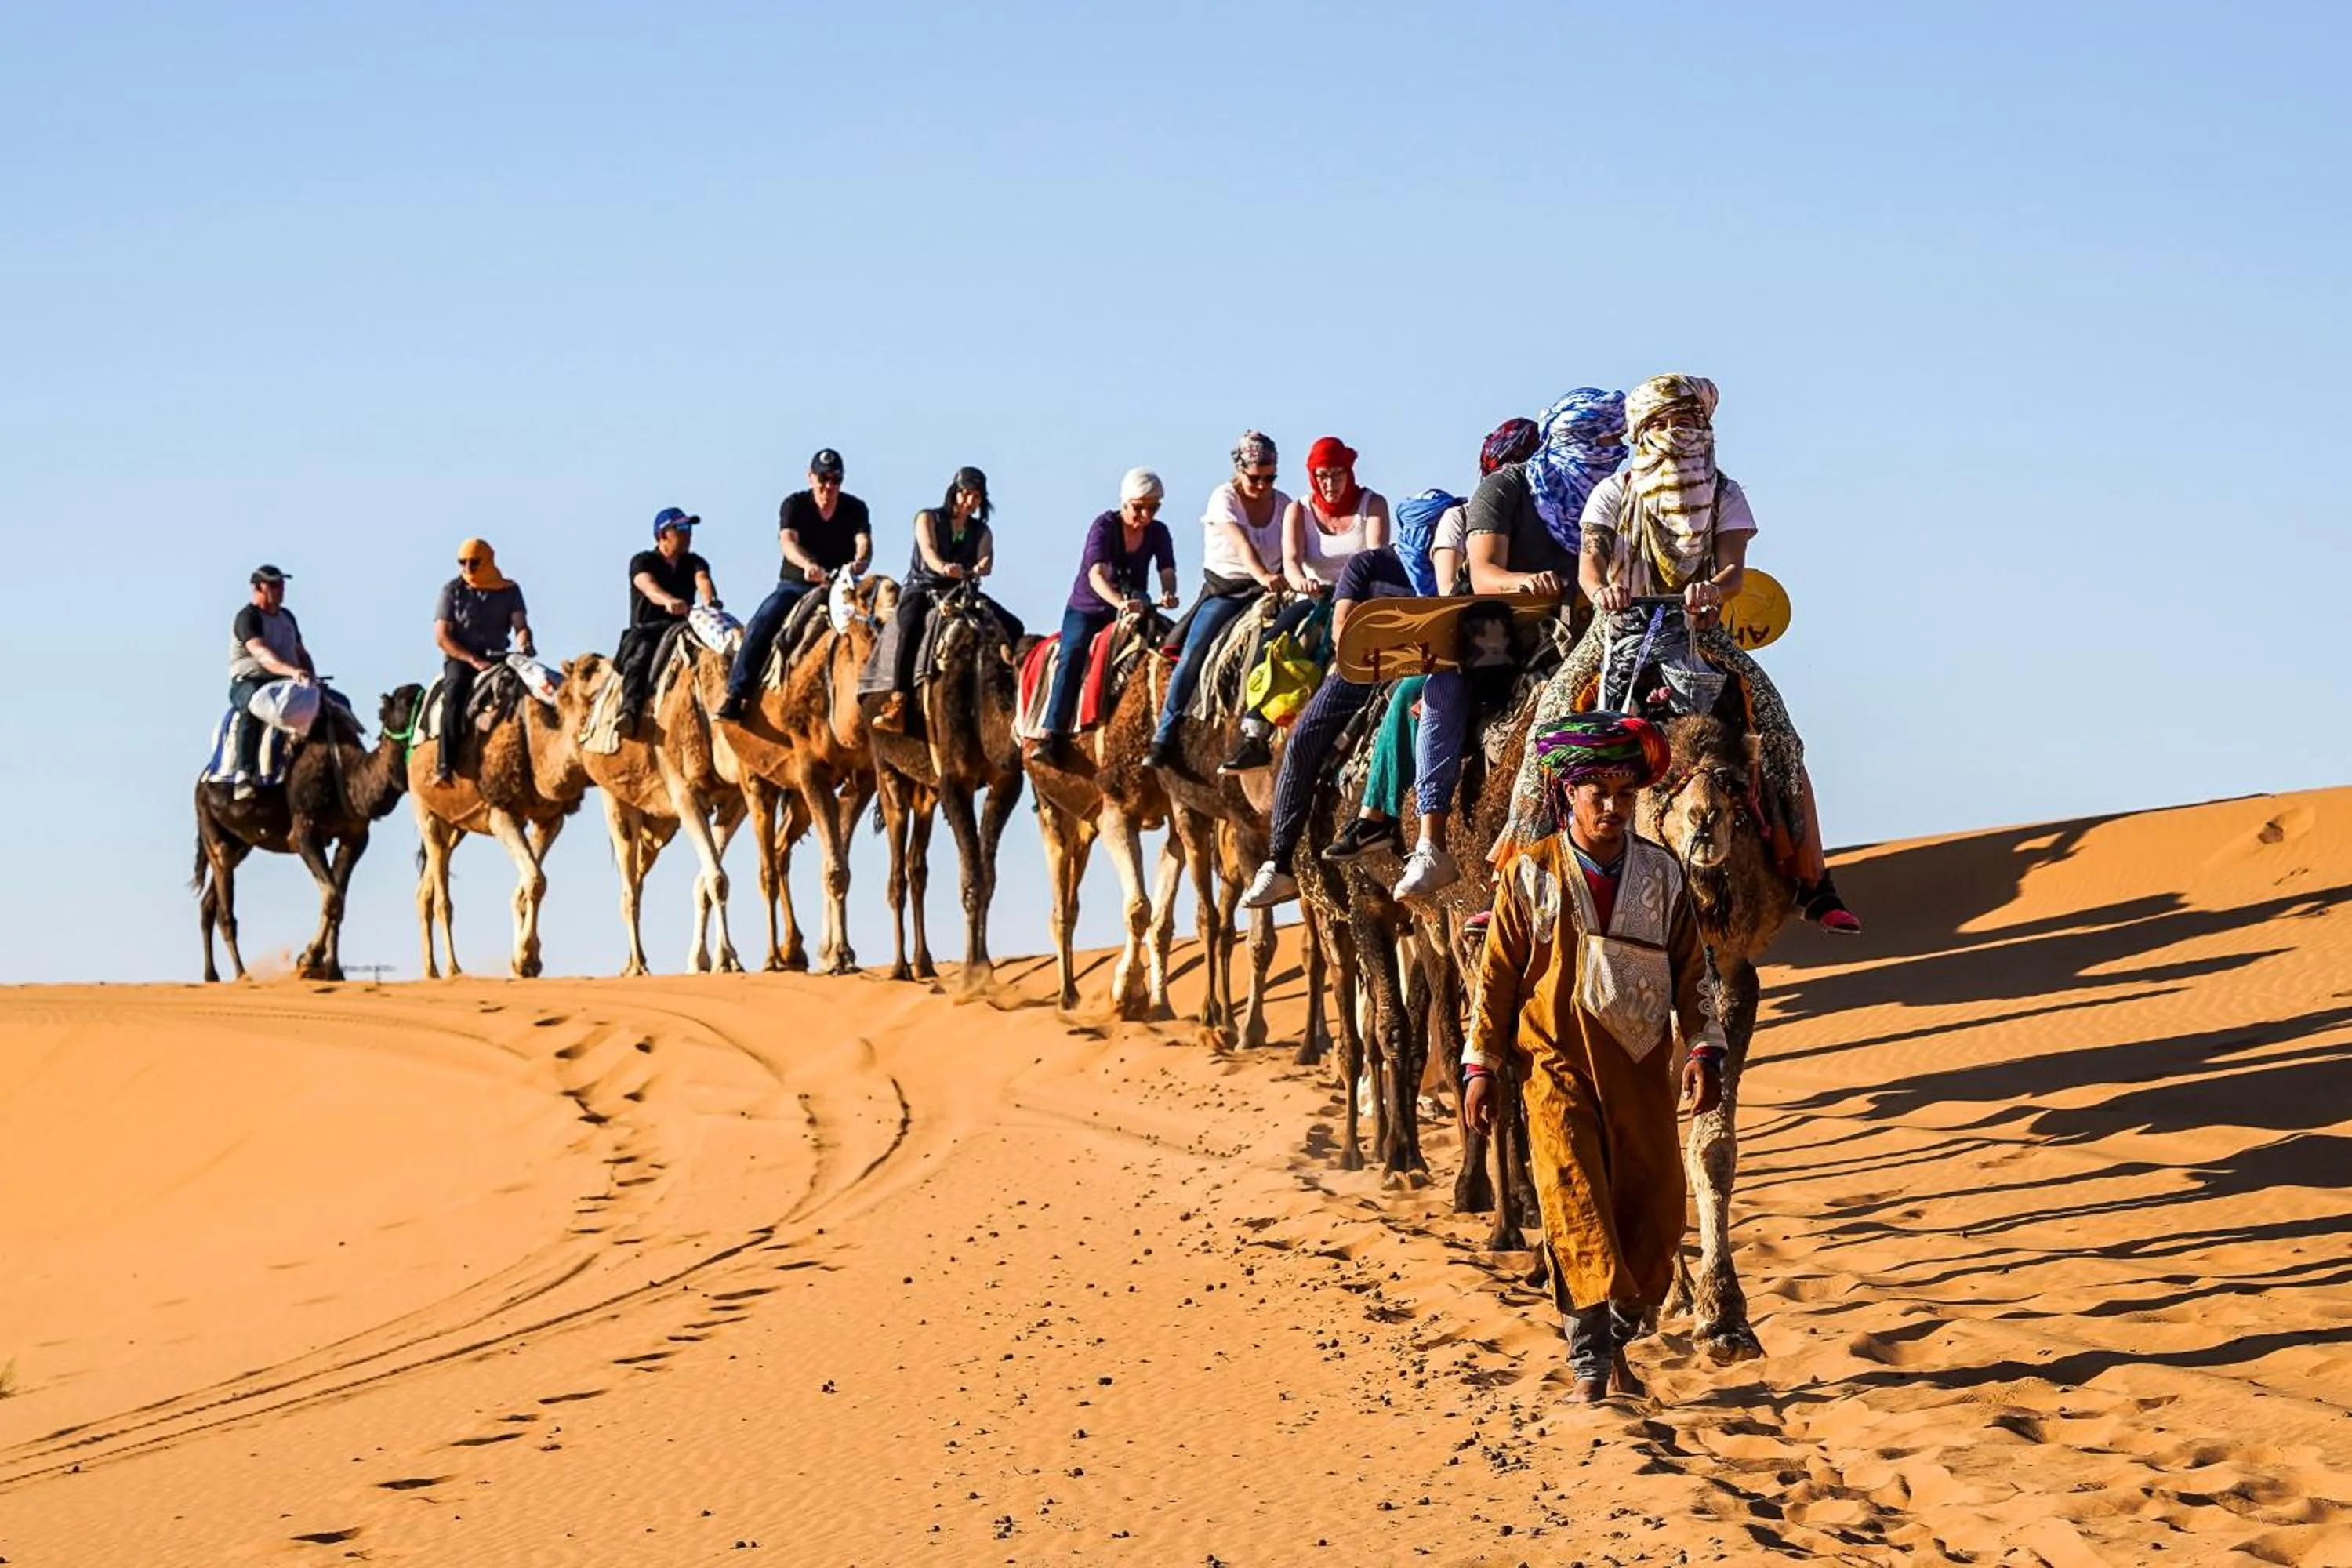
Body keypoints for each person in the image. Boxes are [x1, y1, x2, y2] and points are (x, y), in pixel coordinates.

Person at [1496, 375, 1861, 932]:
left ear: (1705, 427)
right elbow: (1591, 563)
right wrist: (1603, 591)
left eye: (1685, 422)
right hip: (1617, 630)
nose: (1674, 433)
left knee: (1781, 735)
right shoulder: (1614, 491)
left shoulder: (1725, 493)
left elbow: (1733, 569)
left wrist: (1713, 588)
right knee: (1547, 731)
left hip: (1699, 630)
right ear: (1641, 431)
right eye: (1661, 423)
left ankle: (1813, 882)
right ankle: (1523, 876)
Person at [1461, 712, 1725, 1403]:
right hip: (1555, 1068)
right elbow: (1496, 979)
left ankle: (1616, 1339)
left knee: (1655, 1212)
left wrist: (1704, 1048)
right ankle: (1590, 1366)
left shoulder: (1663, 873)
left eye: (1624, 794)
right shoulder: (1529, 874)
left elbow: (1693, 970)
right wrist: (1482, 1065)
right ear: (1569, 795)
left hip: (1641, 1072)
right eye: (1597, 794)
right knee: (1576, 1203)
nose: (1612, 806)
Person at [1396, 391, 1625, 898]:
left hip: (1583, 631)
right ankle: (1432, 843)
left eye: (1616, 439)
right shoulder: (1506, 488)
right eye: (1602, 439)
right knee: (1443, 695)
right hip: (1492, 635)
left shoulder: (1616, 497)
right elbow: (1483, 573)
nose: (1613, 449)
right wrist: (1525, 583)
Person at [1327, 417, 1541, 862]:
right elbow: (1450, 604)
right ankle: (1377, 818)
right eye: (1516, 463)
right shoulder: (1462, 521)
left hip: (1546, 636)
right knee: (1413, 690)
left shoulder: (1563, 515)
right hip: (1475, 642)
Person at [1240, 544, 1419, 906]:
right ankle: (1279, 861)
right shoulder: (1369, 564)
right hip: (1365, 668)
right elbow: (1341, 628)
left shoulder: (1455, 556)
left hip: (1429, 666)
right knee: (1303, 741)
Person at [1219, 436, 1389, 774]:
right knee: (1275, 645)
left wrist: (1353, 593)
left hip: (1360, 602)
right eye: (1322, 475)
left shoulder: (1372, 505)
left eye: (1337, 474)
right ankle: (1255, 734)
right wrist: (1302, 583)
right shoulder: (1298, 510)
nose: (1330, 483)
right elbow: (1292, 562)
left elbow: (1376, 556)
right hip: (1315, 600)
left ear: (1349, 472)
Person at [1146, 432, 1291, 771]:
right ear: (1239, 471)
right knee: (1194, 652)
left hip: (1273, 590)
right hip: (1227, 591)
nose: (1263, 485)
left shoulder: (1284, 505)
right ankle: (1165, 733)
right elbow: (1241, 544)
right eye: (1255, 478)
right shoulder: (1224, 498)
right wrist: (1263, 575)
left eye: (1270, 478)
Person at [719, 448, 873, 722]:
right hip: (797, 584)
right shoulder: (795, 505)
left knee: (878, 620)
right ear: (810, 477)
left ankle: (889, 694)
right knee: (763, 620)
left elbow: (863, 542)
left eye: (835, 480)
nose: (828, 486)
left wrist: (861, 561)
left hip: (842, 585)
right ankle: (737, 694)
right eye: (823, 479)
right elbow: (788, 542)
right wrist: (807, 565)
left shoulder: (855, 508)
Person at [1040, 468, 1180, 764]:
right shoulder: (1104, 527)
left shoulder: (1158, 532)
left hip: (1137, 609)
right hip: (1090, 609)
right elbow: (1096, 575)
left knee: (1172, 647)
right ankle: (1053, 732)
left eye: (1153, 508)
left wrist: (1169, 593)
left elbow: (1167, 569)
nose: (1145, 515)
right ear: (1124, 502)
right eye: (1138, 507)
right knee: (1073, 653)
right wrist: (1120, 603)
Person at [866, 466, 997, 733]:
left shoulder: (981, 531)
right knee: (909, 626)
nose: (970, 501)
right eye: (966, 494)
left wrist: (980, 567)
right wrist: (943, 567)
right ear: (954, 492)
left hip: (962, 592)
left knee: (1009, 625)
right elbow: (928, 552)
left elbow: (986, 559)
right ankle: (898, 701)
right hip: (924, 589)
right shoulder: (927, 518)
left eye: (976, 497)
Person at [430, 539, 535, 785]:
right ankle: (445, 765)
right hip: (462, 658)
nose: (468, 567)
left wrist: (525, 643)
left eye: (474, 562)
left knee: (537, 687)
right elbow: (442, 637)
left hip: (499, 656)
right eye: (462, 562)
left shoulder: (509, 590)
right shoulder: (452, 590)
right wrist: (473, 660)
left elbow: (520, 626)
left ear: (487, 561)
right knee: (454, 695)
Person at [615, 507, 720, 728]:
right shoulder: (643, 561)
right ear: (663, 535)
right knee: (642, 654)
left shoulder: (693, 561)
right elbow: (647, 586)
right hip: (648, 630)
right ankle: (629, 711)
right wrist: (668, 601)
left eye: (689, 528)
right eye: (681, 528)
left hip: (685, 626)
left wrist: (710, 599)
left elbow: (702, 579)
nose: (688, 533)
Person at [225, 564, 315, 799]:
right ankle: (244, 774)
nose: (281, 589)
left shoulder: (287, 618)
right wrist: (293, 671)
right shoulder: (248, 618)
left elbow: (301, 652)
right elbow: (263, 655)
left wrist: (311, 678)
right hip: (250, 681)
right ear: (257, 588)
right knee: (253, 708)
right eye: (274, 585)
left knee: (331, 706)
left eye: (282, 584)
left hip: (287, 683)